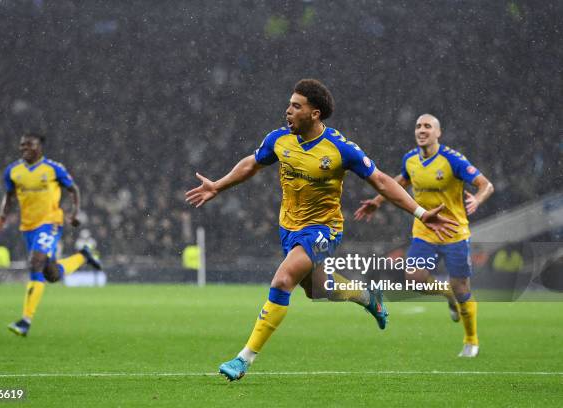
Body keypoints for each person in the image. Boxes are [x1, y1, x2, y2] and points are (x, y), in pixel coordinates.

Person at [186, 80, 458, 381]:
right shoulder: (279, 140)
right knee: (319, 289)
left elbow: (381, 180)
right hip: (289, 228)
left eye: (296, 106)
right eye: (289, 104)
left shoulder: (340, 148)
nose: (288, 110)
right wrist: (218, 186)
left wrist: (420, 212)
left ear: (314, 114)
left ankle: (243, 359)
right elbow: (252, 164)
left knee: (283, 279)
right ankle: (369, 297)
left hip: (323, 230)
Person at [354, 114, 494, 357]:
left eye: (428, 126)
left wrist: (478, 199)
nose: (422, 130)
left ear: (438, 133)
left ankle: (471, 340)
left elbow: (486, 185)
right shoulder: (410, 159)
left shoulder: (452, 160)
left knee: (462, 287)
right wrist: (377, 201)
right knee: (414, 277)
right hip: (424, 231)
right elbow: (399, 182)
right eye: (418, 126)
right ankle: (447, 294)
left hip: (454, 231)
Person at [0, 132, 102, 336]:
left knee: (35, 263)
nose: (24, 148)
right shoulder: (13, 171)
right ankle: (83, 256)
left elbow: (74, 189)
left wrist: (74, 212)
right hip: (28, 227)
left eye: (29, 145)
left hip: (50, 222)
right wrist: (2, 216)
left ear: (39, 147)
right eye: (22, 145)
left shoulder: (53, 169)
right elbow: (8, 196)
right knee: (50, 274)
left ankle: (25, 321)